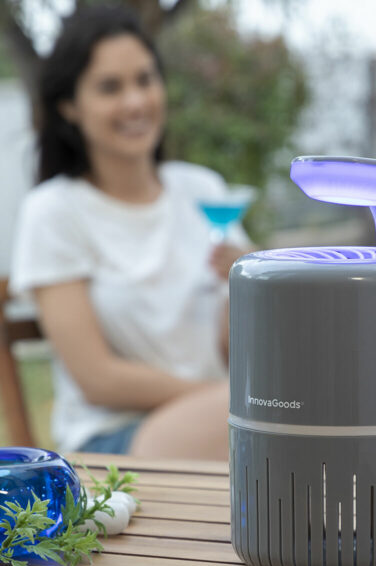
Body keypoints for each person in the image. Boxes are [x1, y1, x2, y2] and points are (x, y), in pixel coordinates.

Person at [9, 5, 248, 459]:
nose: (136, 102)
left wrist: (248, 290)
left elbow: (235, 351)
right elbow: (97, 378)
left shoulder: (203, 190)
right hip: (115, 441)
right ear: (69, 106)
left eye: (144, 79)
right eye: (110, 87)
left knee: (303, 402)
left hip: (220, 423)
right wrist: (229, 402)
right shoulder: (54, 212)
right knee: (288, 413)